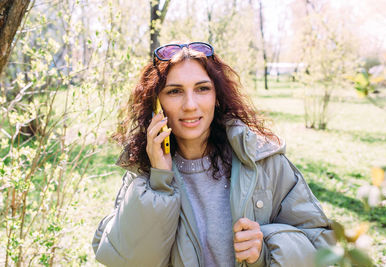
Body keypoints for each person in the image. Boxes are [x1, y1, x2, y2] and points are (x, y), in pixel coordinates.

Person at [92, 42, 336, 267]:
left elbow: (323, 247)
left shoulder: (263, 161)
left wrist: (266, 250)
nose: (190, 105)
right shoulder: (143, 176)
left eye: (202, 88)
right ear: (156, 103)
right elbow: (128, 260)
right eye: (175, 91)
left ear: (217, 96)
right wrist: (159, 182)